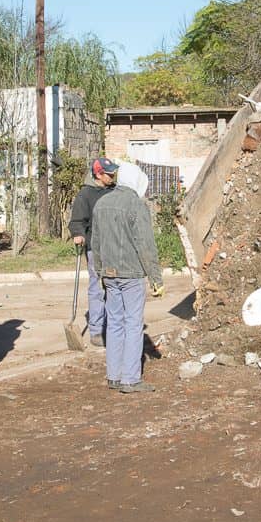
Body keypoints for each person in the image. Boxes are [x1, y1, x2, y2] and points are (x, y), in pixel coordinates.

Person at [90, 162, 164, 394]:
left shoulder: (102, 203)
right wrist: (156, 278)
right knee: (133, 324)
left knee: (114, 323)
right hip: (131, 273)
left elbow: (96, 244)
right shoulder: (136, 205)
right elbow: (145, 245)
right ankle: (130, 379)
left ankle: (113, 375)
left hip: (109, 273)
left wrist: (100, 271)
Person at [67, 157, 118, 346]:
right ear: (98, 174)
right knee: (97, 288)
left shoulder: (115, 191)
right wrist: (78, 234)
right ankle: (96, 331)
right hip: (95, 248)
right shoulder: (86, 195)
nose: (113, 175)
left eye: (113, 172)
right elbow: (77, 221)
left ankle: (113, 327)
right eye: (109, 173)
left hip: (115, 247)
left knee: (115, 287)